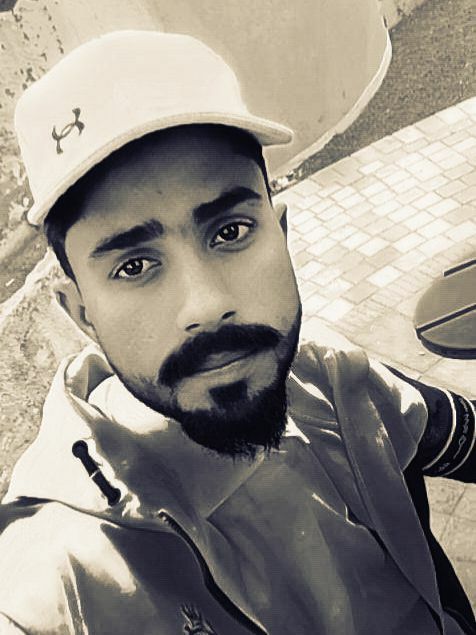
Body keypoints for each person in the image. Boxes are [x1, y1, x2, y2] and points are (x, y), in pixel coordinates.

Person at [0, 30, 474, 635]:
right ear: (82, 314)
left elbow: (458, 434)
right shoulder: (63, 578)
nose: (206, 305)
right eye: (134, 266)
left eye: (229, 232)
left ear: (281, 232)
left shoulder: (335, 381)